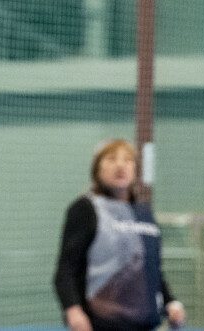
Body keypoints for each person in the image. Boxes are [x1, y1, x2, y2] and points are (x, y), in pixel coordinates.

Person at [55, 139, 186, 331]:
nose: (120, 165)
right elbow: (65, 270)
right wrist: (73, 311)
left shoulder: (144, 212)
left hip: (145, 323)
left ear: (135, 169)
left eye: (127, 160)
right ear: (97, 169)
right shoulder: (85, 209)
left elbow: (152, 270)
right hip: (101, 323)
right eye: (111, 159)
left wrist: (171, 302)